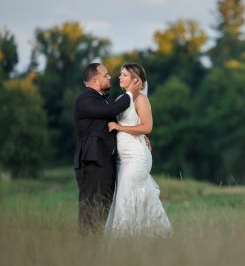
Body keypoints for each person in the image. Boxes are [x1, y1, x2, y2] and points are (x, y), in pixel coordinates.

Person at [73, 63, 142, 235]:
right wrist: (129, 95)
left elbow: (117, 122)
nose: (110, 77)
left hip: (104, 161)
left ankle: (96, 244)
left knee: (104, 206)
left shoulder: (100, 97)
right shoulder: (85, 98)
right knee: (90, 207)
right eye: (106, 75)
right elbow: (109, 111)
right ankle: (86, 247)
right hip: (91, 160)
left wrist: (140, 135)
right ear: (95, 80)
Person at [105, 63, 171, 237]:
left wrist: (120, 127)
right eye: (120, 74)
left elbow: (147, 127)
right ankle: (139, 237)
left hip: (136, 157)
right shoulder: (121, 99)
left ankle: (126, 238)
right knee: (122, 197)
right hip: (121, 159)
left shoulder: (142, 100)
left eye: (124, 75)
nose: (119, 77)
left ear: (135, 80)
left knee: (126, 198)